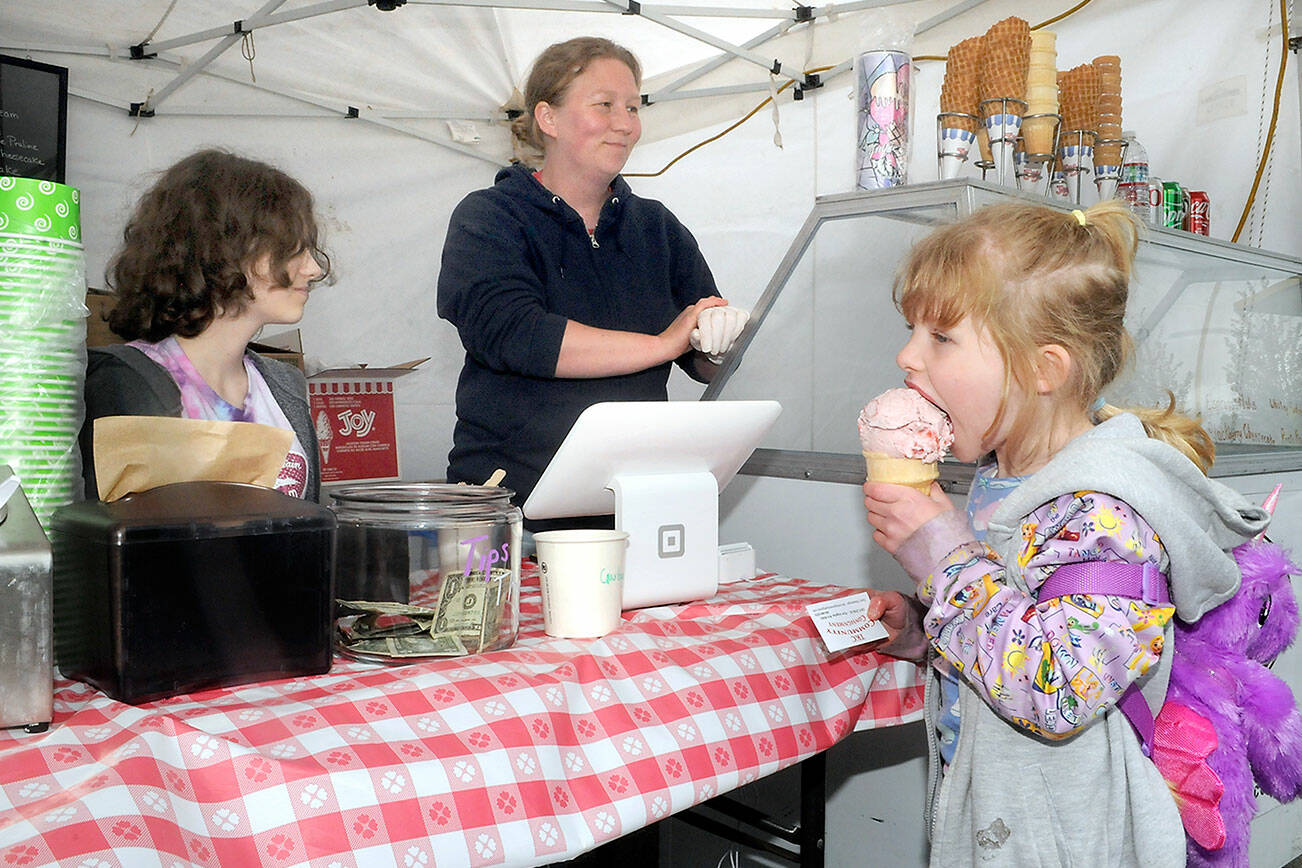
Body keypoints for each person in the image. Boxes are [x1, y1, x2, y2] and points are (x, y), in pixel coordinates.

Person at [861, 200, 1270, 865]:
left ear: (1042, 370)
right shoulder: (1003, 477)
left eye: (942, 337)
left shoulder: (1105, 515)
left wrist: (948, 563)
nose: (907, 353)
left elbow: (1058, 685)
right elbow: (1016, 620)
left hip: (1072, 839)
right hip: (1002, 821)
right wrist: (922, 628)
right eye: (912, 329)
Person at [437, 37, 748, 521]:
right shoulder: (491, 216)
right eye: (604, 106)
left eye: (632, 107)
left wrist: (718, 343)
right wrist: (664, 343)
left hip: (632, 504)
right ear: (549, 118)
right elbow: (516, 333)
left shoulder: (656, 227)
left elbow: (702, 359)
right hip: (511, 508)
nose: (625, 124)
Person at [79, 148, 329, 502]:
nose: (314, 270)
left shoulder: (284, 385)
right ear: (225, 249)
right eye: (293, 249)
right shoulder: (129, 383)